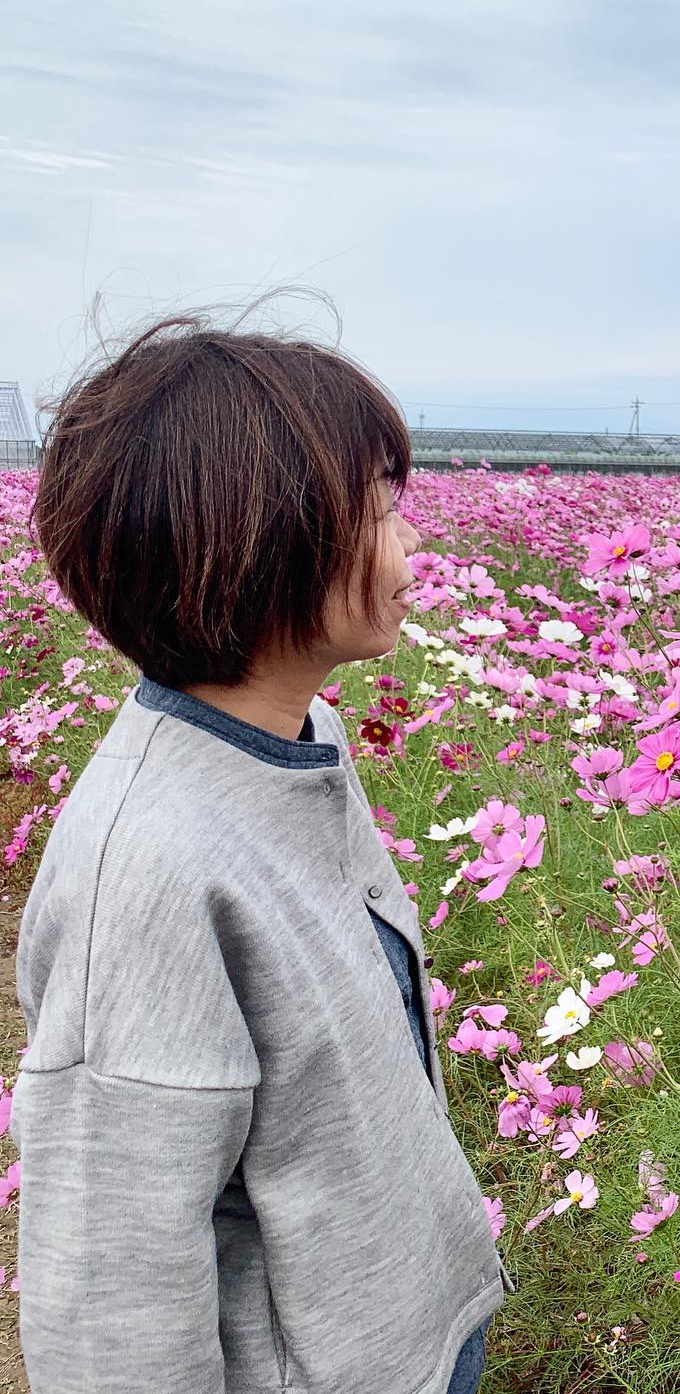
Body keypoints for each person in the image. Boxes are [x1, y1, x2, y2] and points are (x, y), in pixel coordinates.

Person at [13, 311, 514, 1392]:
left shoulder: (300, 741)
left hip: (407, 1334)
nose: (414, 540)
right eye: (381, 507)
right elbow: (110, 1305)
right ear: (262, 538)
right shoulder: (145, 870)